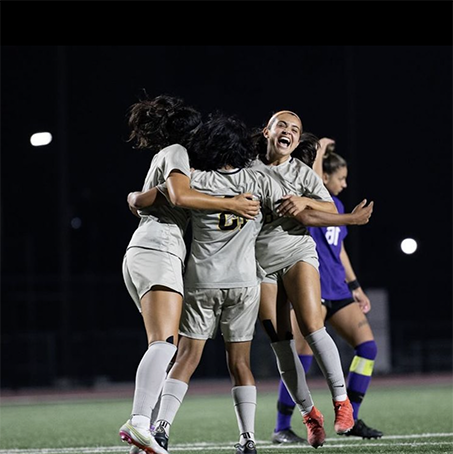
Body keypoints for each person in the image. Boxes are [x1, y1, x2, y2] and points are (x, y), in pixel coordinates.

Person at [118, 94, 260, 454]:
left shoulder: (165, 156)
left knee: (164, 344)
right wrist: (231, 203)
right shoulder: (178, 151)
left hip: (142, 251)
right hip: (159, 250)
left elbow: (141, 200)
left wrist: (135, 197)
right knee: (164, 344)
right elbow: (180, 196)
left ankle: (141, 437)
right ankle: (138, 424)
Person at [250, 110, 374, 448]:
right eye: (282, 125)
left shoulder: (301, 172)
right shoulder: (248, 168)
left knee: (311, 326)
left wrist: (306, 200)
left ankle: (341, 402)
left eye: (296, 128)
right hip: (260, 263)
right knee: (281, 345)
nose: (289, 131)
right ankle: (309, 415)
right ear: (267, 131)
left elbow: (329, 209)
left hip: (297, 252)